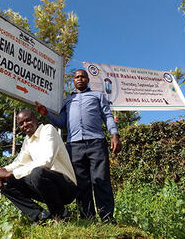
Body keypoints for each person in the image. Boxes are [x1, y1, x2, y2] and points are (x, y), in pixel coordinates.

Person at [35, 69, 122, 223]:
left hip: (96, 142)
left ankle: (107, 218)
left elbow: (108, 116)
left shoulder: (97, 96)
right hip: (74, 145)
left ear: (88, 80)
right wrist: (46, 113)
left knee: (101, 180)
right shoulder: (67, 101)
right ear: (73, 81)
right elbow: (61, 123)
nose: (80, 79)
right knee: (81, 184)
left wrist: (114, 134)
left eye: (83, 77)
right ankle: (87, 218)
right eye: (77, 77)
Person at [0, 109, 77, 223]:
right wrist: (1, 172)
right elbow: (19, 162)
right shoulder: (28, 141)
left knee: (38, 173)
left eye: (28, 120)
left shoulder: (48, 130)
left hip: (66, 187)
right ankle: (41, 217)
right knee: (7, 182)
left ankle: (61, 215)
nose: (25, 125)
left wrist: (11, 173)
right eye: (21, 124)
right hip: (45, 186)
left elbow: (46, 161)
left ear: (36, 119)